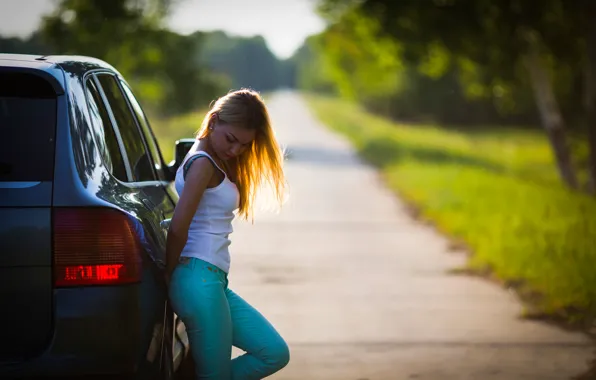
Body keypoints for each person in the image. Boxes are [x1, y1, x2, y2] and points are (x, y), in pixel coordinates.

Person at [165, 89, 290, 379]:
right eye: (230, 139)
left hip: (213, 280)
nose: (234, 150)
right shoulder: (202, 165)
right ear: (214, 121)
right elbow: (178, 227)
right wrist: (168, 274)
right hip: (197, 278)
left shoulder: (213, 160)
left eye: (244, 145)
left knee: (273, 352)